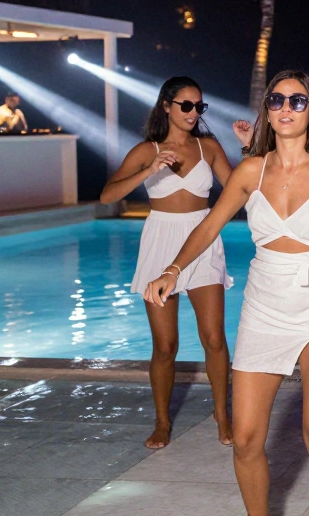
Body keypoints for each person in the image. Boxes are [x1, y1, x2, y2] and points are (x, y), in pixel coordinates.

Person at [144, 70, 309, 516]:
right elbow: (209, 225)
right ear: (267, 110)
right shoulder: (250, 170)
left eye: (297, 101)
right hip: (265, 305)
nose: (285, 109)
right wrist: (173, 269)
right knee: (245, 440)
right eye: (277, 100)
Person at [100, 76, 251, 449]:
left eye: (199, 106)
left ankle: (222, 414)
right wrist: (149, 170)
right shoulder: (145, 150)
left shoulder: (208, 146)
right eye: (186, 105)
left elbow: (240, 192)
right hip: (160, 243)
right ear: (166, 106)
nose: (193, 112)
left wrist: (249, 149)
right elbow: (107, 196)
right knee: (165, 345)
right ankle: (162, 421)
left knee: (214, 338)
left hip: (203, 239)